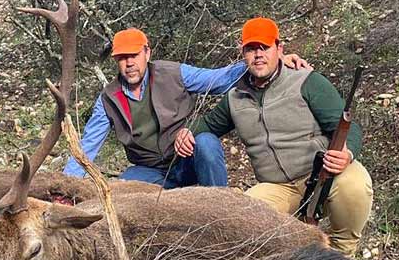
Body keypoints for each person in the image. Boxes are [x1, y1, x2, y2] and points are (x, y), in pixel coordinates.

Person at [176, 17, 373, 256]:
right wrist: (187, 131)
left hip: (323, 173)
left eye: (264, 47)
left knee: (355, 185)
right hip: (277, 186)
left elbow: (347, 127)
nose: (258, 55)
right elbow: (208, 124)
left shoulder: (307, 81)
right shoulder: (235, 97)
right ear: (243, 54)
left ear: (279, 49)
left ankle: (344, 255)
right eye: (251, 49)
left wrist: (346, 153)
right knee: (240, 221)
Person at [63, 27, 308, 188]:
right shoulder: (108, 99)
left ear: (147, 53)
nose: (129, 63)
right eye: (122, 58)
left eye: (134, 55)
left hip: (184, 160)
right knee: (122, 188)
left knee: (207, 143)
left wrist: (273, 64)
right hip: (149, 171)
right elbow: (86, 148)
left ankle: (221, 209)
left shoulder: (174, 73)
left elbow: (218, 80)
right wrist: (63, 187)